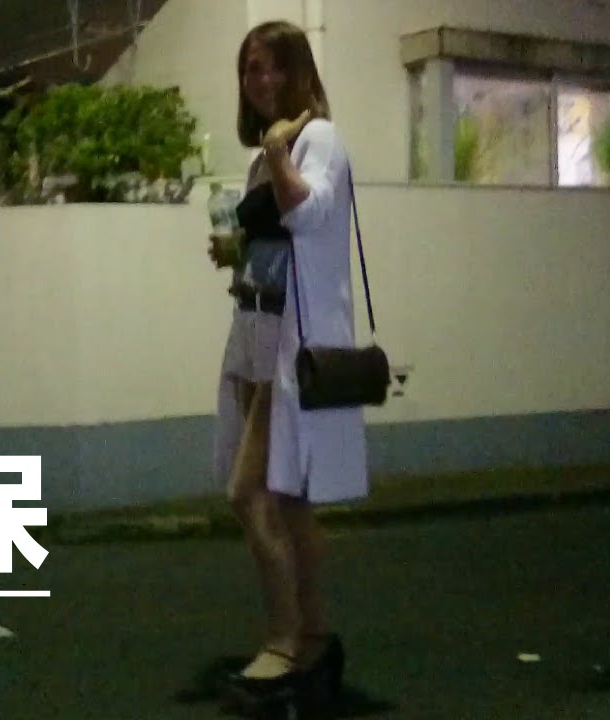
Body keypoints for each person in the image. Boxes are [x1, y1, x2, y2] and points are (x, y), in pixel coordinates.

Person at [207, 19, 369, 703]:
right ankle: (316, 640)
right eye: (251, 68)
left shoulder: (318, 140)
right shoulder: (261, 158)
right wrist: (235, 252)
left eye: (275, 66)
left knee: (249, 494)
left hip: (292, 343)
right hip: (255, 333)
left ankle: (284, 640)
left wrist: (279, 152)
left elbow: (308, 213)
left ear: (300, 71)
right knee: (290, 502)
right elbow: (274, 243)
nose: (262, 79)